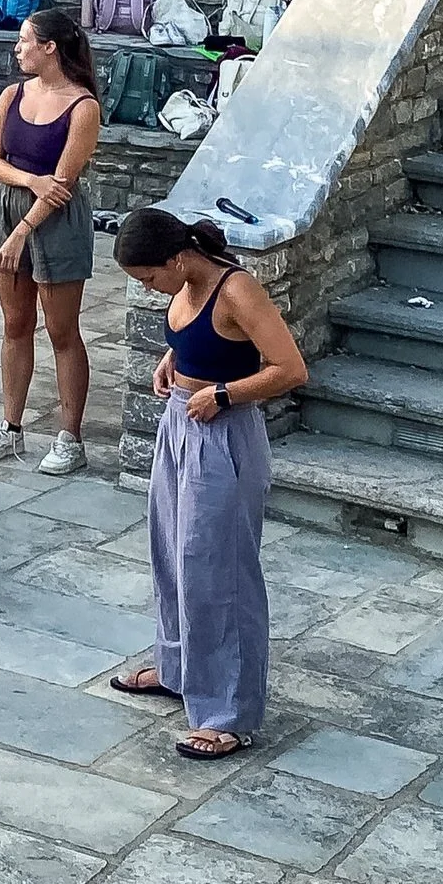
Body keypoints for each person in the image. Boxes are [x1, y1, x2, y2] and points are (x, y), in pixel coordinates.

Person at [109, 209, 307, 758]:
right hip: (180, 422)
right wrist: (174, 358)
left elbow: (289, 368)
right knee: (172, 553)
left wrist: (222, 395)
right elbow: (201, 336)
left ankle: (229, 713)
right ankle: (177, 669)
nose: (150, 289)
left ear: (176, 259)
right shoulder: (188, 282)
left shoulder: (238, 289)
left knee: (219, 567)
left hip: (222, 433)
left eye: (150, 279)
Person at [0, 9, 103, 473]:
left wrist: (23, 231)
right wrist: (30, 180)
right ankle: (11, 427)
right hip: (10, 205)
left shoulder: (83, 107)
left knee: (62, 330)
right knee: (15, 324)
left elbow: (62, 186)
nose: (17, 47)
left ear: (50, 47)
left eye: (25, 40)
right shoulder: (12, 94)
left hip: (56, 221)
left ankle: (71, 437)